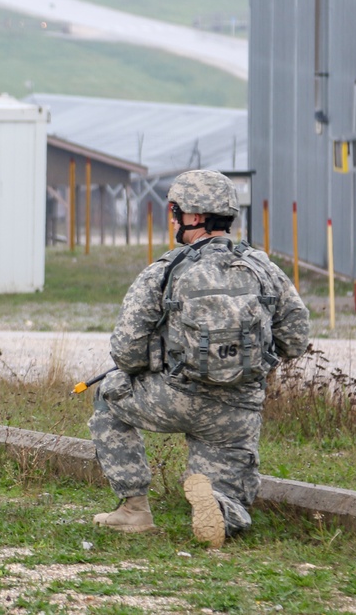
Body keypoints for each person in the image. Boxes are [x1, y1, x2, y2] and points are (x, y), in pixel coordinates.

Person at [88, 169, 310, 548]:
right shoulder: (263, 268)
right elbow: (295, 340)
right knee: (229, 487)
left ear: (191, 217)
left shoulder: (164, 271)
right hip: (236, 410)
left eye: (174, 211)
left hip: (174, 396)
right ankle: (222, 510)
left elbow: (125, 351)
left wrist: (152, 366)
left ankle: (134, 510)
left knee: (108, 394)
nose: (173, 218)